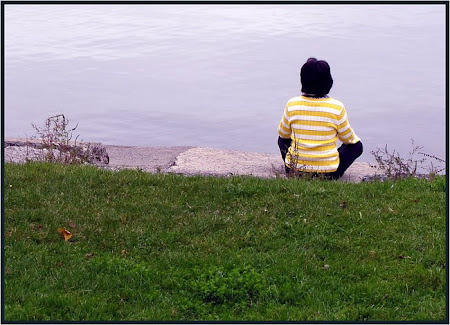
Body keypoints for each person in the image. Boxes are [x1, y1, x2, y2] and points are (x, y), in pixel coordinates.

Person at [277, 57, 363, 180]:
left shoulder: (292, 104)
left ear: (303, 81)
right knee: (357, 146)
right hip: (328, 174)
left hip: (295, 170)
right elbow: (349, 139)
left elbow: (283, 135)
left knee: (282, 139)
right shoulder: (336, 107)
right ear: (329, 81)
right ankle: (328, 167)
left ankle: (293, 167)